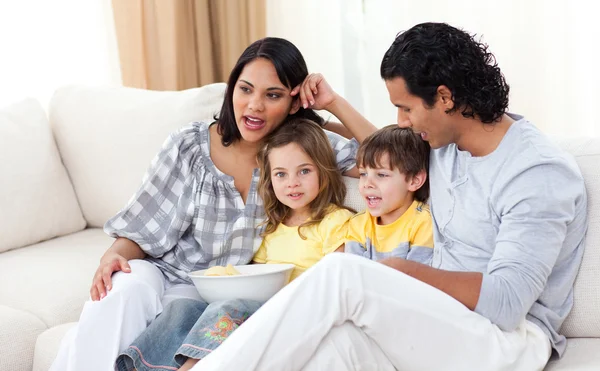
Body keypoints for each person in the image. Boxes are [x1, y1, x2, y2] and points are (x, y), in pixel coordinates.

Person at [190, 22, 588, 371]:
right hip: (439, 322)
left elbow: (506, 304)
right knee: (332, 349)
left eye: (405, 108)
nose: (401, 122)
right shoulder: (447, 146)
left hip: (506, 343)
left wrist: (401, 271)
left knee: (341, 273)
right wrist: (332, 104)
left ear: (445, 98)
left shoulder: (537, 172)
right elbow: (384, 155)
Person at [50, 37, 375, 371]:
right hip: (162, 272)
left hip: (216, 292)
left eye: (273, 95)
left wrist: (333, 103)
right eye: (245, 89)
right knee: (120, 292)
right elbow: (140, 227)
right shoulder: (188, 144)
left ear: (293, 104)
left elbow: (393, 157)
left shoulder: (301, 151)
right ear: (232, 89)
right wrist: (113, 258)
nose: (254, 106)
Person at [115, 118, 355, 371]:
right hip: (259, 305)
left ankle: (190, 367)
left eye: (304, 171)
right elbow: (254, 273)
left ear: (324, 172)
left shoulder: (336, 221)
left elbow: (336, 277)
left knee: (228, 309)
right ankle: (140, 366)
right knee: (182, 307)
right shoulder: (270, 226)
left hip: (294, 310)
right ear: (269, 179)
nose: (292, 182)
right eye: (281, 174)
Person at [344, 125, 433, 264]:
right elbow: (353, 274)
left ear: (415, 180)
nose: (367, 183)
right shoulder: (358, 224)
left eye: (381, 174)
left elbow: (416, 279)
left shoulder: (423, 223)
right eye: (363, 174)